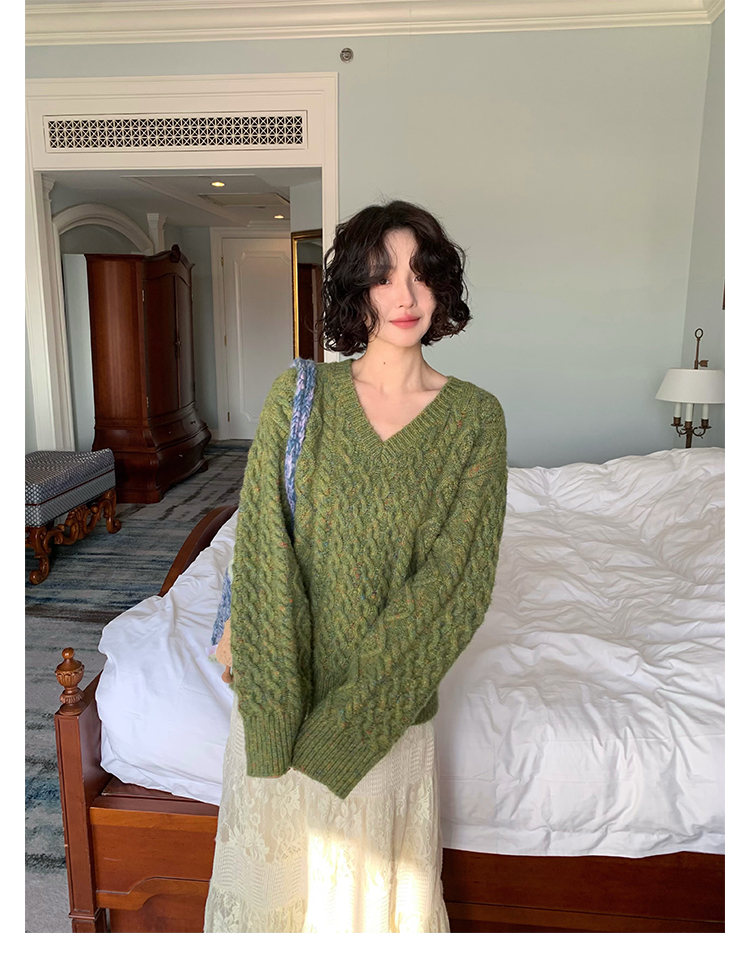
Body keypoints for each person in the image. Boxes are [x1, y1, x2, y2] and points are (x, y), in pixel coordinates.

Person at [204, 199, 508, 933]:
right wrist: (277, 711)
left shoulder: (475, 419)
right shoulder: (300, 397)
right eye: (382, 276)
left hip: (386, 715)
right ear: (355, 291)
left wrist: (350, 723)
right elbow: (264, 549)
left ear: (442, 287)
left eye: (421, 274)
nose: (405, 296)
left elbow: (455, 585)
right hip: (281, 704)